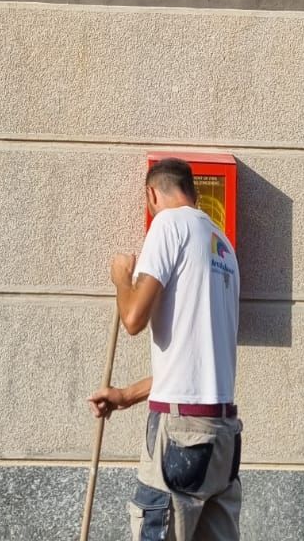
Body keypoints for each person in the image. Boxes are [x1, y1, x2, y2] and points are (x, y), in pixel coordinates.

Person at [88, 156, 242, 540]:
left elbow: (134, 320)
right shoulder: (222, 244)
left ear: (151, 194)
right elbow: (194, 364)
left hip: (179, 436)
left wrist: (122, 279)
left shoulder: (167, 225)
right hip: (222, 434)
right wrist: (126, 395)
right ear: (194, 192)